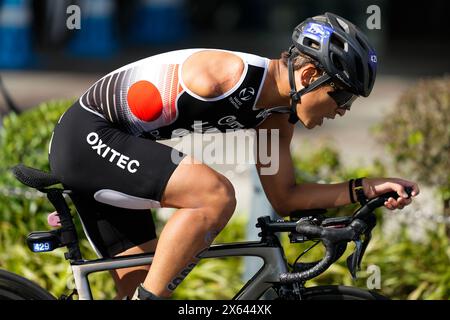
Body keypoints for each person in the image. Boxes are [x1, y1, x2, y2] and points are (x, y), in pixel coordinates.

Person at [48, 12, 419, 300]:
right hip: (87, 138)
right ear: (307, 75)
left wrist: (363, 188)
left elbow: (286, 197)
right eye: (342, 97)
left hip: (109, 150)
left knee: (140, 284)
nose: (343, 110)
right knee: (215, 195)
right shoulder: (225, 76)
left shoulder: (274, 116)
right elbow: (141, 101)